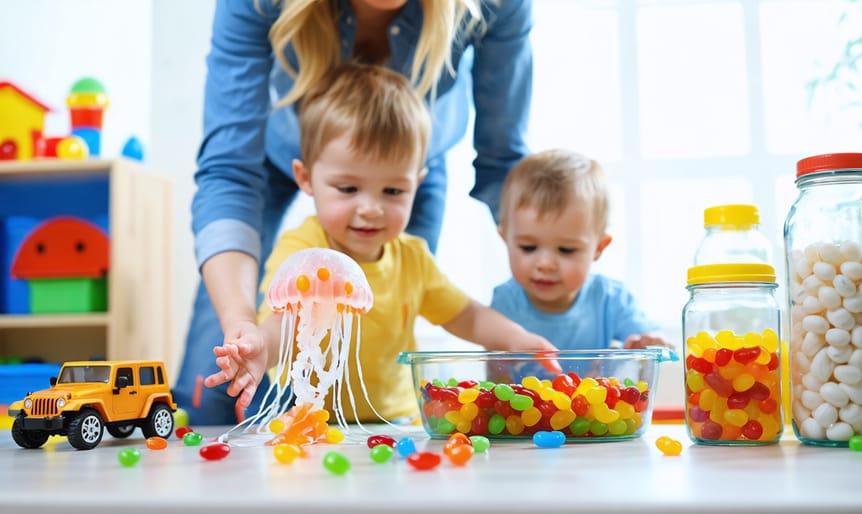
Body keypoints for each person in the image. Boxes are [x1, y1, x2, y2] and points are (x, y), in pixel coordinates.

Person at [176, 0, 535, 424]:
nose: (370, 210)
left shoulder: (411, 255)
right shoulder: (302, 252)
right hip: (283, 153)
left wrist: (532, 301)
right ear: (306, 178)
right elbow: (278, 324)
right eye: (349, 189)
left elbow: (463, 312)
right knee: (219, 375)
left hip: (396, 420)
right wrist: (245, 329)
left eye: (392, 192)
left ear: (414, 185)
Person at [491, 149, 673, 360]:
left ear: (599, 248)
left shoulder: (609, 298)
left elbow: (654, 341)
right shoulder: (504, 302)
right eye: (528, 247)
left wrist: (651, 342)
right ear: (505, 239)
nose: (545, 264)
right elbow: (496, 377)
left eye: (566, 250)